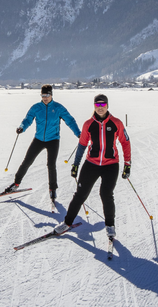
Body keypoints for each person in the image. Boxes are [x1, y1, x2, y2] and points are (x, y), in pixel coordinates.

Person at [55, 93, 131, 239]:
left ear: (107, 106)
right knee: (80, 195)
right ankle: (67, 222)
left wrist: (127, 164)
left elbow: (125, 142)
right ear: (94, 106)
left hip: (111, 165)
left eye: (103, 104)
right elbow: (82, 144)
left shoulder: (116, 123)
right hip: (92, 164)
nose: (100, 107)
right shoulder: (88, 124)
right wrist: (76, 164)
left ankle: (110, 225)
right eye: (97, 104)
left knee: (106, 194)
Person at [5, 84, 80, 201]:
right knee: (27, 161)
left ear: (51, 95)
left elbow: (70, 120)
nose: (45, 97)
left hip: (53, 140)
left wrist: (78, 133)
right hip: (38, 139)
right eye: (43, 95)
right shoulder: (36, 107)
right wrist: (22, 127)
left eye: (47, 95)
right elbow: (28, 119)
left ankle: (52, 189)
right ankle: (16, 183)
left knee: (51, 165)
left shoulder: (58, 108)